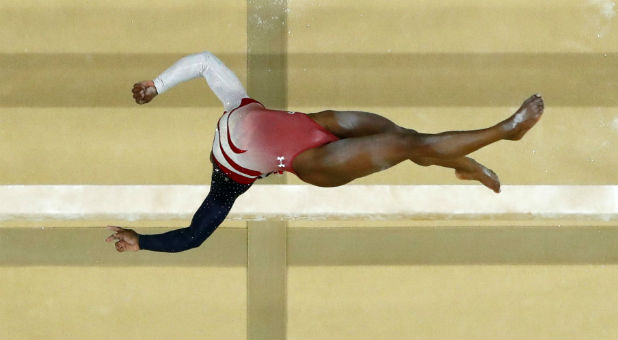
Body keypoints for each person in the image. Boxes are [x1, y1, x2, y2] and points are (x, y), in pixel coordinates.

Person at [106, 51, 544, 253]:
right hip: (315, 163)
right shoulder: (228, 185)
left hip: (318, 123)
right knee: (409, 144)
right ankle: (507, 131)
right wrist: (141, 241)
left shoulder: (237, 105)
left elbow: (204, 61)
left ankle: (463, 166)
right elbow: (194, 235)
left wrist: (156, 85)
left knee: (408, 137)